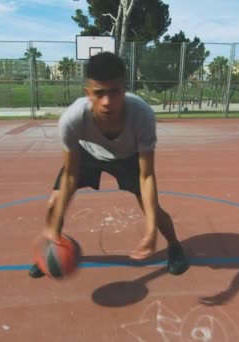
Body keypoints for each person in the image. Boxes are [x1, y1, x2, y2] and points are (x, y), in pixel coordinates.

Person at [29, 52, 189, 278]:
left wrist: (151, 229)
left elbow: (147, 176)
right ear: (88, 93)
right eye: (99, 93)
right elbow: (71, 175)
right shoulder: (72, 119)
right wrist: (53, 226)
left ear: (124, 89)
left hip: (128, 156)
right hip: (88, 153)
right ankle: (52, 249)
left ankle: (174, 245)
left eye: (114, 92)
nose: (107, 101)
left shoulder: (142, 115)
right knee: (54, 202)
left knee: (152, 208)